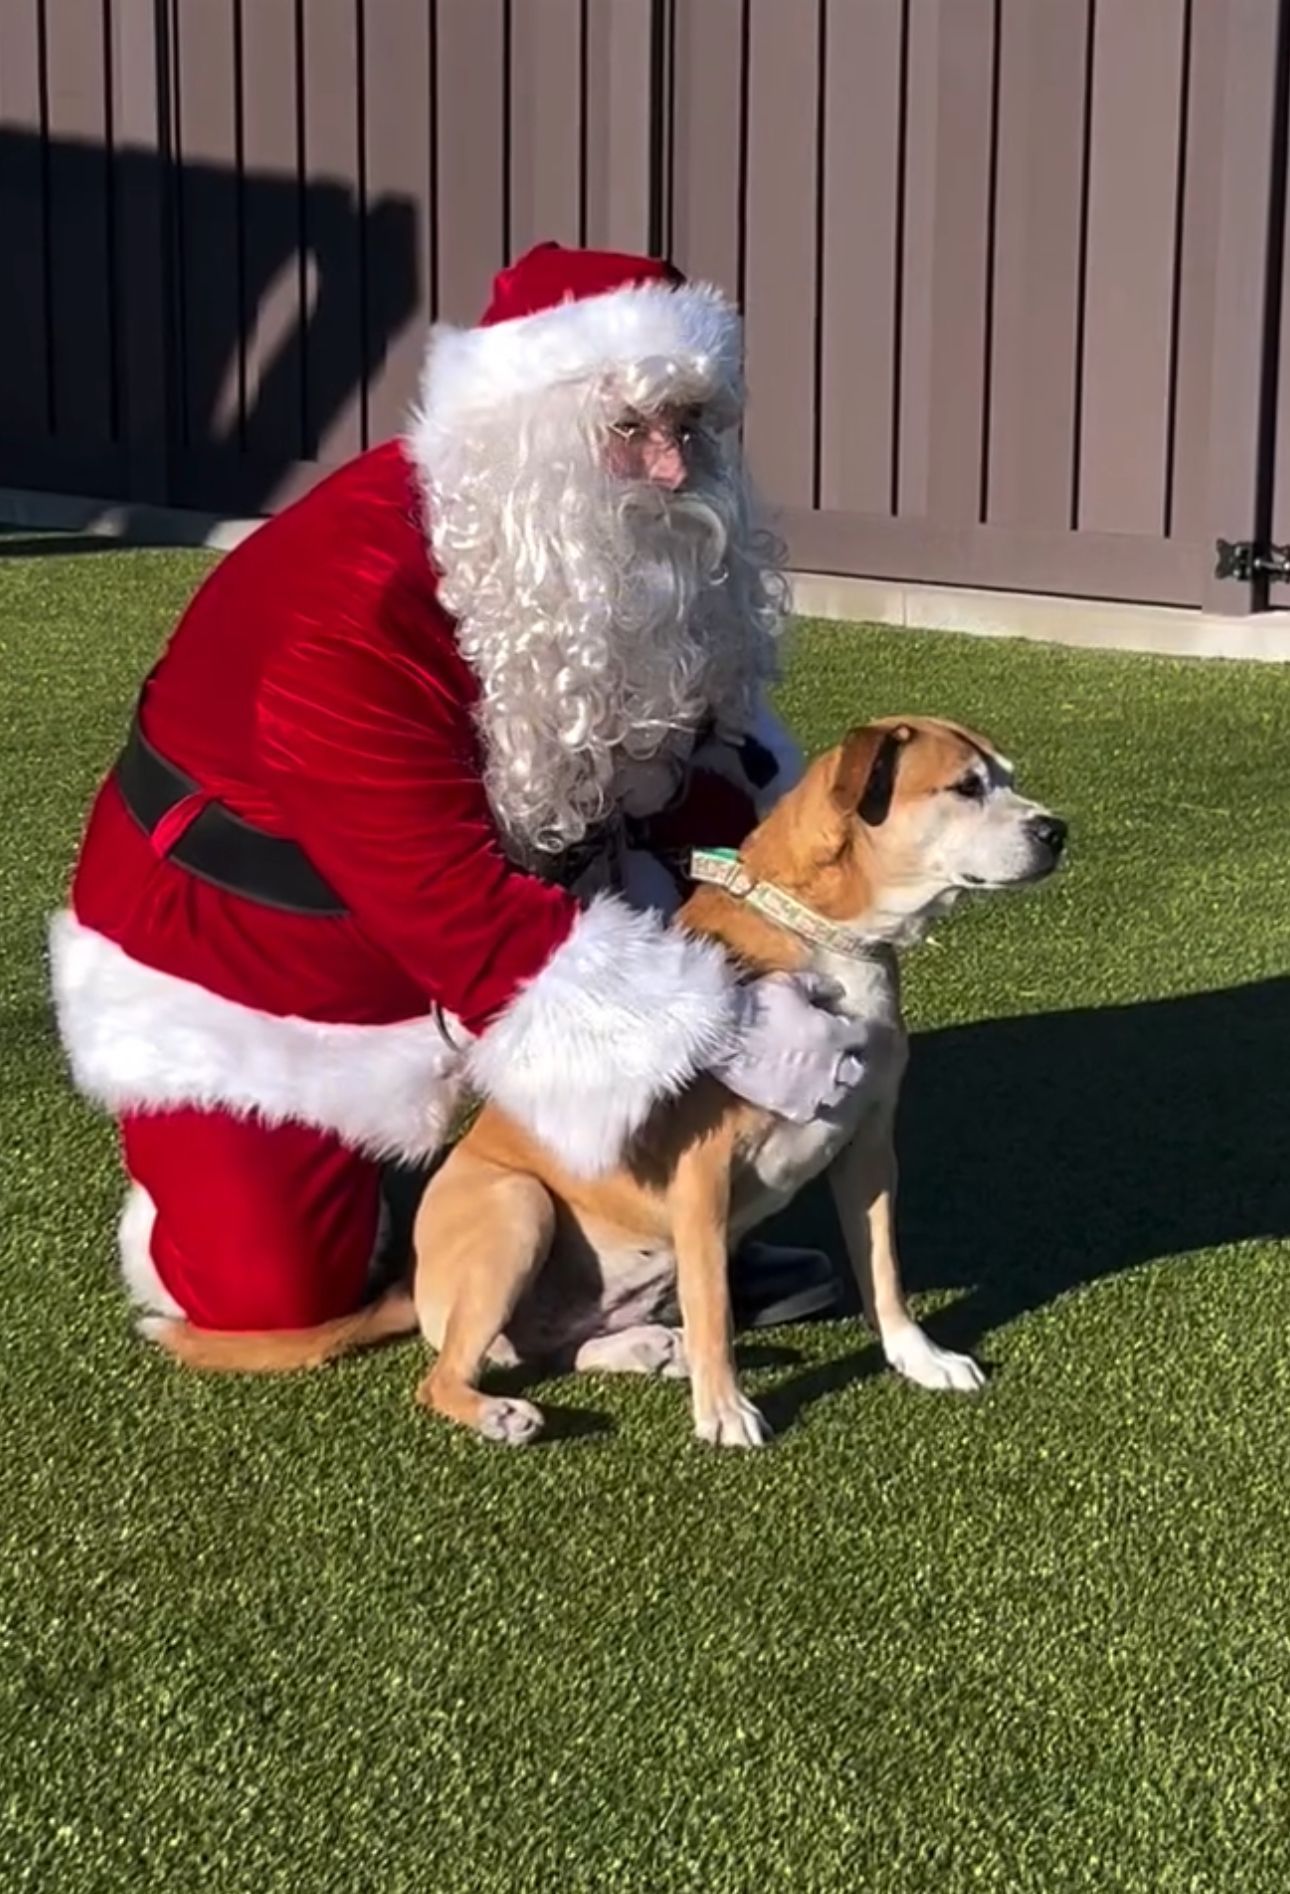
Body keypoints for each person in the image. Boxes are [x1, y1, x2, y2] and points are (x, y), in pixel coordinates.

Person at [50, 241, 869, 1340]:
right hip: (257, 954)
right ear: (523, 430)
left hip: (506, 886)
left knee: (695, 932)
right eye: (630, 431)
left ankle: (646, 1225)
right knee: (267, 1293)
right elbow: (460, 920)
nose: (674, 468)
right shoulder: (343, 609)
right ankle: (203, 1183)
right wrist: (724, 1030)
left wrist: (769, 940)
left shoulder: (619, 542)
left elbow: (711, 793)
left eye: (690, 427)